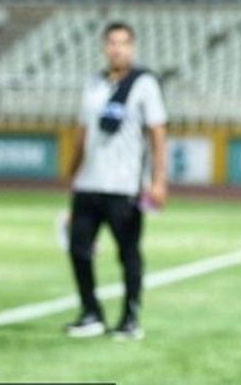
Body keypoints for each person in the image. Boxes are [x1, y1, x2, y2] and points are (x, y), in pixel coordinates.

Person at [63, 21, 168, 341]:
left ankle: (129, 318)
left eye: (123, 43)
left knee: (128, 253)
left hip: (124, 186)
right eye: (111, 42)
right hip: (89, 183)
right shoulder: (93, 84)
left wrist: (158, 180)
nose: (117, 49)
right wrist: (71, 173)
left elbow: (157, 133)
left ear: (132, 47)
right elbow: (82, 133)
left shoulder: (144, 83)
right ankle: (90, 313)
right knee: (78, 248)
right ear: (104, 47)